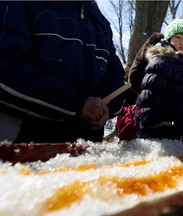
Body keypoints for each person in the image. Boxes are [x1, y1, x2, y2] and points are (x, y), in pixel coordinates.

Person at [0, 1, 126, 143]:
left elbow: (117, 78)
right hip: (24, 147)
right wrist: (77, 105)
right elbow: (5, 69)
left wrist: (104, 108)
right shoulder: (20, 4)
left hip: (87, 152)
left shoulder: (100, 22)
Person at [124, 3, 183, 106]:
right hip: (141, 105)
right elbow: (136, 71)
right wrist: (143, 99)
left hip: (174, 115)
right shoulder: (158, 41)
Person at [135, 19, 183, 140]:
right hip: (160, 125)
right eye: (178, 37)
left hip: (177, 127)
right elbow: (151, 90)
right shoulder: (163, 60)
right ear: (169, 38)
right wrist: (151, 118)